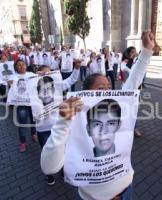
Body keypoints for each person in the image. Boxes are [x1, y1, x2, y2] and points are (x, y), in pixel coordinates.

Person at [40, 30, 154, 199]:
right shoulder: (72, 118)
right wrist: (63, 123)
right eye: (101, 89)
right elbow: (49, 167)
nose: (107, 92)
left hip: (126, 192)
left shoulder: (118, 107)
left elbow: (134, 80)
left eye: (108, 88)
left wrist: (146, 51)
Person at [34, 63, 80, 186]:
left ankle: (62, 170)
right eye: (43, 73)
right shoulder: (32, 89)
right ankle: (49, 175)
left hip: (57, 126)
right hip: (42, 129)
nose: (46, 75)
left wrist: (76, 68)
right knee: (46, 151)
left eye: (49, 73)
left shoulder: (58, 86)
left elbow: (72, 80)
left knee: (62, 149)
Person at [9, 60, 37, 153]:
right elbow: (7, 82)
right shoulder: (14, 77)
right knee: (22, 124)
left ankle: (34, 134)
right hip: (21, 105)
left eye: (23, 64)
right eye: (19, 65)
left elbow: (40, 80)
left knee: (34, 120)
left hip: (32, 103)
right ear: (16, 67)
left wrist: (42, 74)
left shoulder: (31, 74)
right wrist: (9, 83)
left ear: (26, 66)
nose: (21, 66)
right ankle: (23, 142)